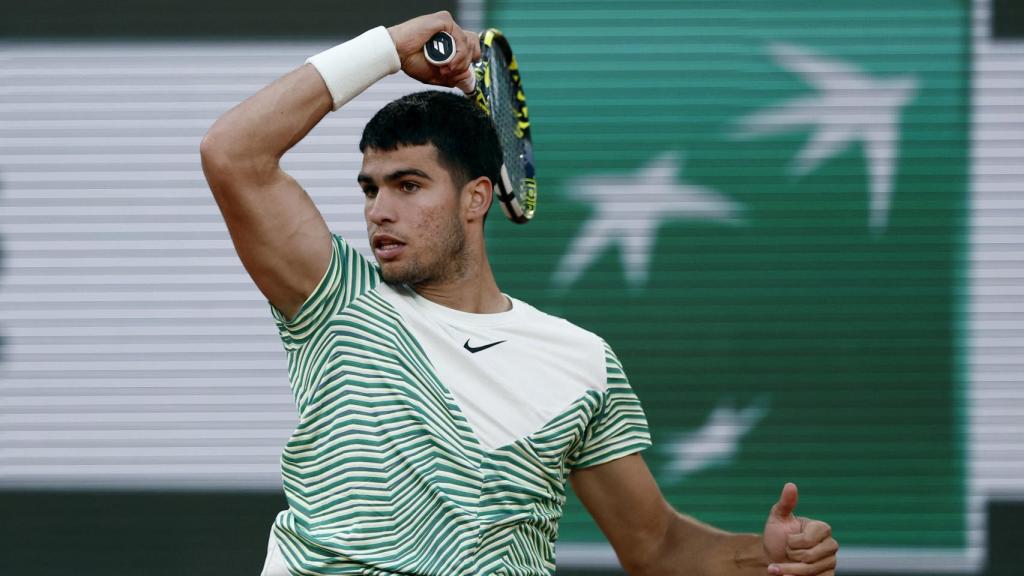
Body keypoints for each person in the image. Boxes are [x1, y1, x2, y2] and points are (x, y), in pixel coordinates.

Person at [200, 10, 839, 576]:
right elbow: (232, 152)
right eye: (371, 189)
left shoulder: (579, 360)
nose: (379, 212)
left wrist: (767, 558)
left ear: (477, 196)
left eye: (408, 185)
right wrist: (391, 49)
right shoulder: (335, 300)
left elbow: (657, 548)